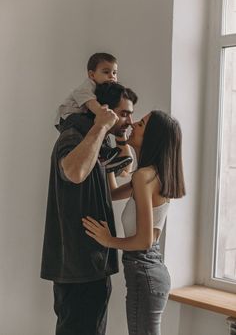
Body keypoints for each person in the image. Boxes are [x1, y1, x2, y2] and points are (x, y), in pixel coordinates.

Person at [40, 82, 138, 335]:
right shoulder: (74, 135)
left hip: (91, 264)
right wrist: (101, 125)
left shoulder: (97, 141)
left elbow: (111, 186)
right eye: (125, 113)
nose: (130, 120)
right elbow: (74, 172)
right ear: (105, 110)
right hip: (79, 264)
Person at [82, 110, 186, 335]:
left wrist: (109, 240)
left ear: (152, 137)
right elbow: (111, 193)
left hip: (145, 271)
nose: (133, 124)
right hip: (150, 271)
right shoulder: (150, 174)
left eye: (141, 124)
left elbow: (144, 241)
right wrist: (113, 151)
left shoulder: (144, 177)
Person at [55, 52, 133, 175]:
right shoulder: (85, 88)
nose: (112, 76)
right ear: (91, 74)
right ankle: (105, 155)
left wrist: (120, 132)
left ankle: (104, 156)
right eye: (106, 72)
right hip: (68, 118)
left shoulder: (100, 132)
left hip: (81, 118)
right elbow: (98, 110)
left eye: (114, 73)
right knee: (89, 124)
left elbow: (125, 171)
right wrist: (110, 119)